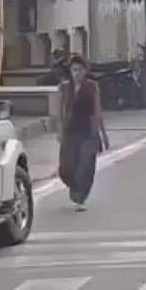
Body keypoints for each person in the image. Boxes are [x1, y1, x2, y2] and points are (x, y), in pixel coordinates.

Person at [57, 56, 110, 211]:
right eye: (74, 70)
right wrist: (60, 131)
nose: (76, 73)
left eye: (80, 70)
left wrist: (104, 134)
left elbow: (97, 110)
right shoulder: (64, 87)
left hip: (88, 131)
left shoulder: (92, 87)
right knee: (66, 168)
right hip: (70, 131)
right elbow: (59, 112)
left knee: (85, 166)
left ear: (85, 71)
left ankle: (80, 197)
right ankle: (74, 187)